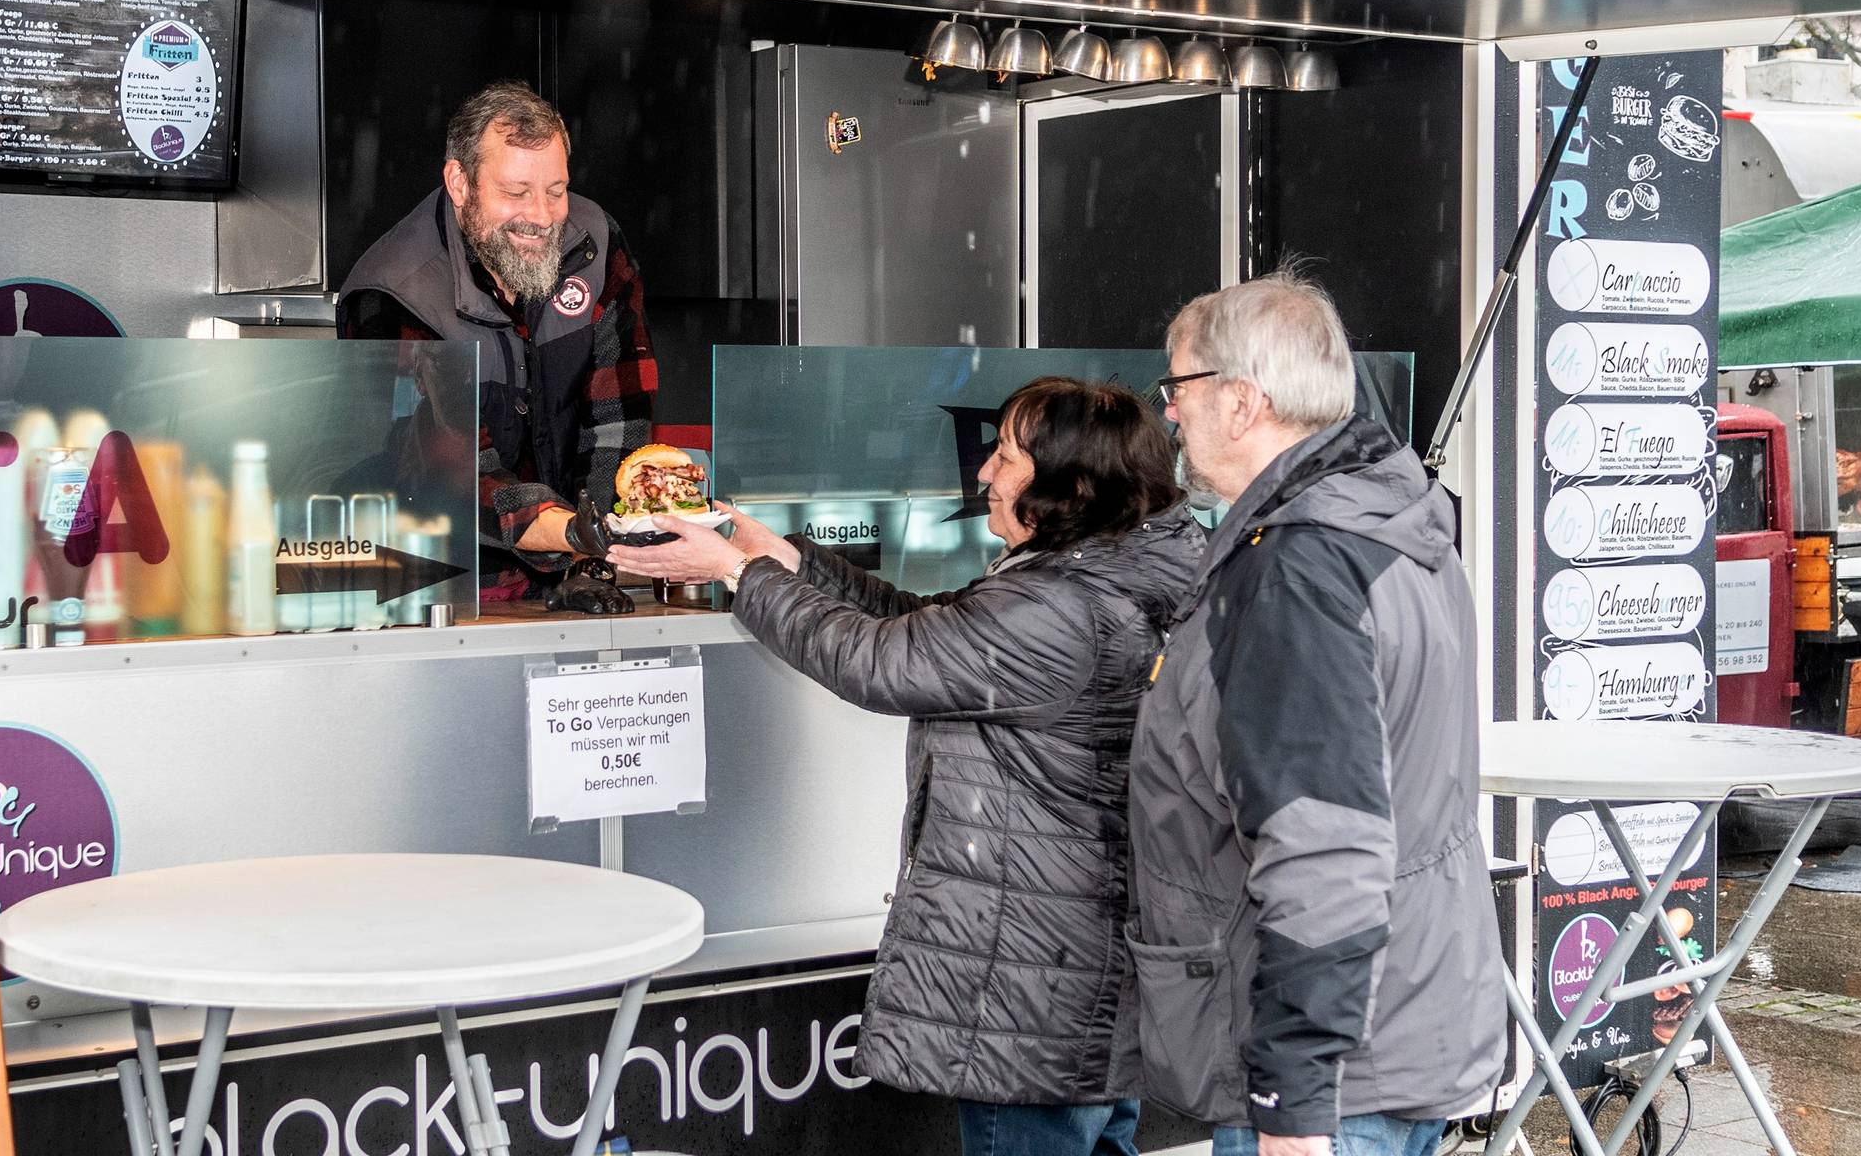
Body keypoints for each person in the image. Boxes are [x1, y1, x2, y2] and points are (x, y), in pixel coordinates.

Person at [609, 376, 1201, 1156]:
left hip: (1031, 978)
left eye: (1007, 456)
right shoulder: (1101, 572)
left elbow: (880, 661)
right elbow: (931, 629)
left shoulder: (1062, 606)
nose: (984, 473)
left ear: (1072, 484)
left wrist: (732, 573)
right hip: (1074, 965)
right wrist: (778, 556)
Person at [1114, 273, 1502, 1156]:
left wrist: (1293, 1098)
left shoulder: (1300, 568)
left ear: (1242, 402)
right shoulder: (1387, 520)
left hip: (1333, 1076)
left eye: (1176, 389)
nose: (1168, 414)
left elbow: (1322, 849)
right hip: (1398, 1030)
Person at [337, 82, 658, 615]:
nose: (541, 215)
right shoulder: (395, 292)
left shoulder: (593, 244)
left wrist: (589, 559)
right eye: (515, 192)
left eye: (556, 190)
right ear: (459, 183)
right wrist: (578, 534)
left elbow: (619, 421)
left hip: (579, 571)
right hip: (438, 587)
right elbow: (455, 471)